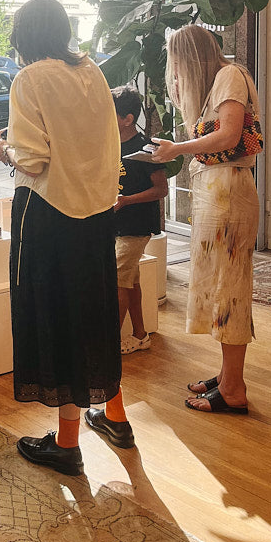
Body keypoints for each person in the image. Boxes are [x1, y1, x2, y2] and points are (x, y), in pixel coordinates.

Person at [0, 0, 135, 475]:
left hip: (47, 213)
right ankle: (115, 416)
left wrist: (4, 149)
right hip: (95, 213)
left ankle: (68, 443)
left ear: (24, 36)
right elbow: (107, 145)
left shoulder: (29, 79)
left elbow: (33, 161)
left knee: (55, 319)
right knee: (93, 313)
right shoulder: (92, 71)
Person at [149, 25, 261, 415]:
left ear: (190, 57)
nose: (175, 71)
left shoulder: (230, 76)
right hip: (219, 192)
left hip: (229, 193)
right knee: (221, 288)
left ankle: (233, 389)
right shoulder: (217, 83)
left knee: (230, 290)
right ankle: (228, 375)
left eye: (177, 63)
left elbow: (229, 136)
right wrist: (183, 98)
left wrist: (177, 148)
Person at [112, 86, 168, 355]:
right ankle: (140, 335)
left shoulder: (147, 147)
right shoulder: (110, 144)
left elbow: (161, 190)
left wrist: (126, 201)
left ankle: (107, 346)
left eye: (111, 114)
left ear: (128, 119)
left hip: (137, 225)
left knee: (117, 279)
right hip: (116, 223)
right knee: (130, 280)